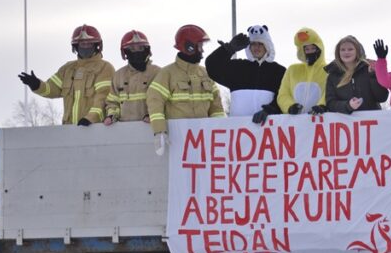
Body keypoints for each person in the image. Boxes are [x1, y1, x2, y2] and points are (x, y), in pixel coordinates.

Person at [147, 24, 226, 155]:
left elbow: (216, 107)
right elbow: (155, 101)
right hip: (178, 142)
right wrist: (159, 131)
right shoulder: (167, 74)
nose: (202, 51)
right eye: (199, 46)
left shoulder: (206, 74)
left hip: (204, 143)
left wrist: (221, 131)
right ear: (189, 47)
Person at [18, 24, 115, 126]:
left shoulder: (105, 68)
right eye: (82, 44)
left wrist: (90, 119)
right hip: (69, 130)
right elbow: (52, 89)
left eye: (89, 43)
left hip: (95, 129)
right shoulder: (67, 69)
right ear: (76, 46)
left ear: (96, 45)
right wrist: (37, 84)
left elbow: (103, 98)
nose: (85, 46)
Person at [205, 25, 287, 124]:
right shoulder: (238, 68)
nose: (256, 47)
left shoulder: (279, 71)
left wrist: (269, 110)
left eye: (260, 44)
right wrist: (228, 49)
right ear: (249, 47)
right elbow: (212, 67)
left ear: (267, 46)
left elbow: (283, 97)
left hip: (268, 129)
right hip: (238, 130)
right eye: (253, 44)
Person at [103, 30, 160, 124]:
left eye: (140, 48)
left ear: (147, 50)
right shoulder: (118, 75)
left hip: (150, 128)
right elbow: (112, 102)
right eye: (132, 48)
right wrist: (112, 115)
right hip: (125, 131)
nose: (137, 51)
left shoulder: (157, 73)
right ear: (125, 52)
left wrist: (153, 114)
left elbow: (162, 101)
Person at [325, 35, 389, 114]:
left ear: (357, 51)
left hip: (372, 122)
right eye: (342, 50)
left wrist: (373, 76)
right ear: (338, 53)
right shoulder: (332, 76)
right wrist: (348, 106)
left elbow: (382, 97)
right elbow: (330, 103)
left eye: (350, 49)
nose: (346, 52)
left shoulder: (369, 69)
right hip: (346, 123)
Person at [278, 27, 329, 115]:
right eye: (307, 49)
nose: (310, 52)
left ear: (320, 49)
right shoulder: (292, 70)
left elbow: (330, 93)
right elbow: (283, 94)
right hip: (296, 123)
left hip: (320, 121)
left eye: (313, 48)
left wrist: (322, 106)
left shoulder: (329, 70)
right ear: (302, 51)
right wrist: (290, 107)